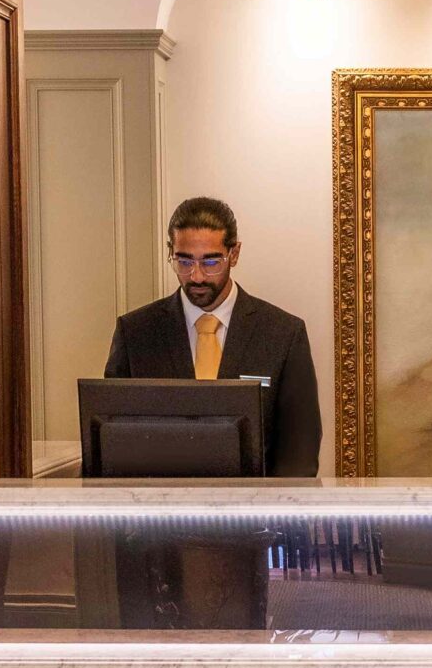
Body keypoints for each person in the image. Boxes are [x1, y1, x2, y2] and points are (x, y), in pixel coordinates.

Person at [103, 196, 322, 477]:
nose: (196, 276)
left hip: (256, 516)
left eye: (210, 262)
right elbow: (113, 445)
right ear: (171, 252)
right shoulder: (136, 333)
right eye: (184, 261)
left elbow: (299, 455)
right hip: (160, 515)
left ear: (234, 254)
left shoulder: (282, 333)